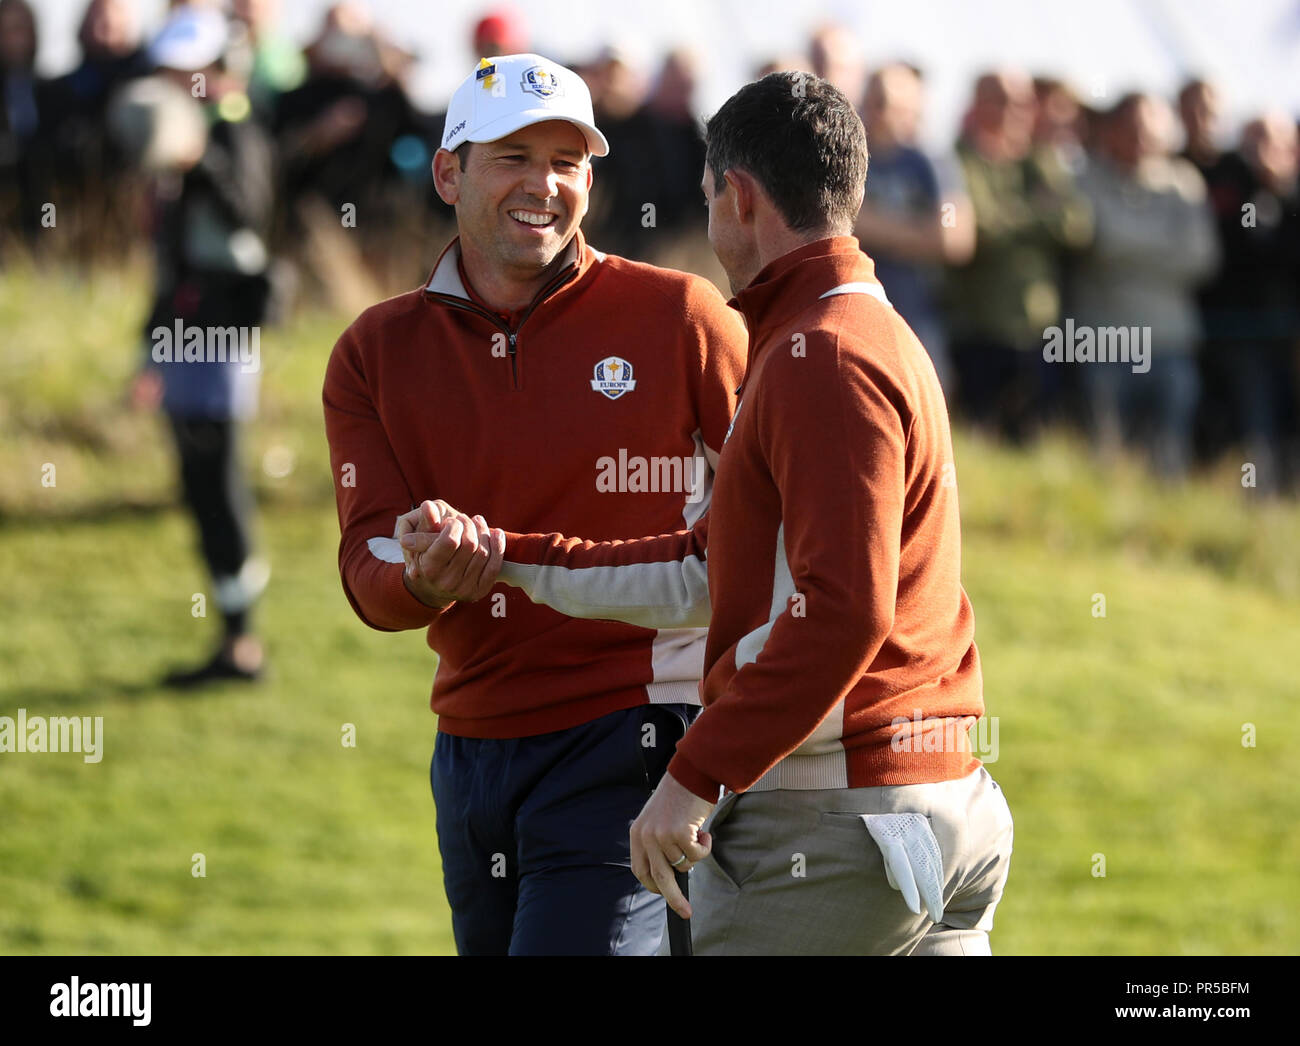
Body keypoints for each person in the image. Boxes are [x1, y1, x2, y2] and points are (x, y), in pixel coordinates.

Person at [405, 71, 1014, 955]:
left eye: (708, 197)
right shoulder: (861, 327)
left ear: (738, 196)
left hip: (840, 820)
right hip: (935, 811)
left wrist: (692, 776)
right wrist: (507, 555)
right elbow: (709, 570)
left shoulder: (819, 353)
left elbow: (841, 609)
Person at [322, 52, 747, 955]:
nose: (543, 185)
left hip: (636, 740)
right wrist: (427, 578)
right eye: (511, 157)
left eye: (565, 161)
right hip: (469, 754)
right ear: (448, 173)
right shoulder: (374, 350)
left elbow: (779, 518)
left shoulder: (681, 315)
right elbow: (369, 565)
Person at [126, 5, 275, 685]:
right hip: (182, 337)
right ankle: (230, 634)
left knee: (218, 480)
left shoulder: (236, 136)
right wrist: (149, 350)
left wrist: (200, 160)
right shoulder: (175, 147)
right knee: (197, 483)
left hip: (221, 336)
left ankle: (242, 643)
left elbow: (249, 213)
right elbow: (171, 265)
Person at [1072, 93, 1218, 479]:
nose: (1142, 139)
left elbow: (1200, 259)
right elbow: (1095, 243)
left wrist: (1121, 245)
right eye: (1132, 129)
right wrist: (1160, 245)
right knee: (1105, 459)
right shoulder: (1082, 179)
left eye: (1151, 130)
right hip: (1103, 344)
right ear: (1112, 131)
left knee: (1169, 459)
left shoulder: (1184, 184)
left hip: (1171, 345)